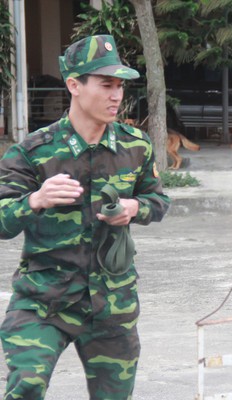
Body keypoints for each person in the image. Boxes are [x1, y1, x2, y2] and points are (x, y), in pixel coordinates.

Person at [0, 34, 170, 399]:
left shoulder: (135, 146)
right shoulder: (32, 152)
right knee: (26, 386)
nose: (116, 96)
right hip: (45, 300)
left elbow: (158, 201)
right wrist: (35, 201)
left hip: (112, 304)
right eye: (106, 84)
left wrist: (134, 208)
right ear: (74, 85)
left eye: (120, 86)